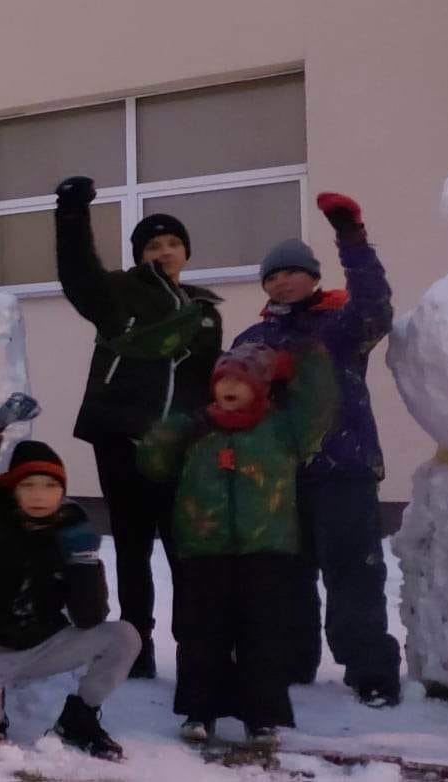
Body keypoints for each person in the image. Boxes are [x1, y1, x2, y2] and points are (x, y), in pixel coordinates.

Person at [232, 192, 401, 706]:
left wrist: (351, 234)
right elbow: (229, 400)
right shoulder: (253, 336)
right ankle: (289, 659)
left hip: (343, 467)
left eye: (290, 271)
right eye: (271, 275)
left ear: (312, 275)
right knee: (285, 575)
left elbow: (375, 303)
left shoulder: (342, 324)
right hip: (279, 475)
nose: (280, 281)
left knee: (353, 570)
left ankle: (370, 670)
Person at [54, 175, 224, 679]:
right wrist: (72, 214)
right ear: (140, 254)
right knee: (131, 549)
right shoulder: (119, 295)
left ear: (186, 252)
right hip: (122, 442)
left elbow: (213, 385)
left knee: (183, 550)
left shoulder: (205, 311)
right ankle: (136, 648)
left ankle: (194, 648)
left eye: (173, 243)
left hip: (181, 450)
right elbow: (78, 272)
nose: (165, 251)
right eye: (154, 244)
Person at [139, 343, 335, 748]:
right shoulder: (197, 429)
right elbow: (152, 461)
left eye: (240, 380)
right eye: (223, 379)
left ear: (260, 387)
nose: (229, 386)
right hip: (203, 548)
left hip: (267, 548)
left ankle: (261, 717)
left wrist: (304, 363)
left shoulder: (283, 429)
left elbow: (321, 405)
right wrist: (175, 430)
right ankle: (200, 711)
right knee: (201, 633)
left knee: (262, 635)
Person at [0, 394, 138, 761]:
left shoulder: (68, 530)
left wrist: (85, 563)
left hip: (45, 644)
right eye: (29, 485)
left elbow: (89, 618)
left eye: (50, 487)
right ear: (12, 489)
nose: (40, 495)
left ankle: (79, 719)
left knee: (124, 636)